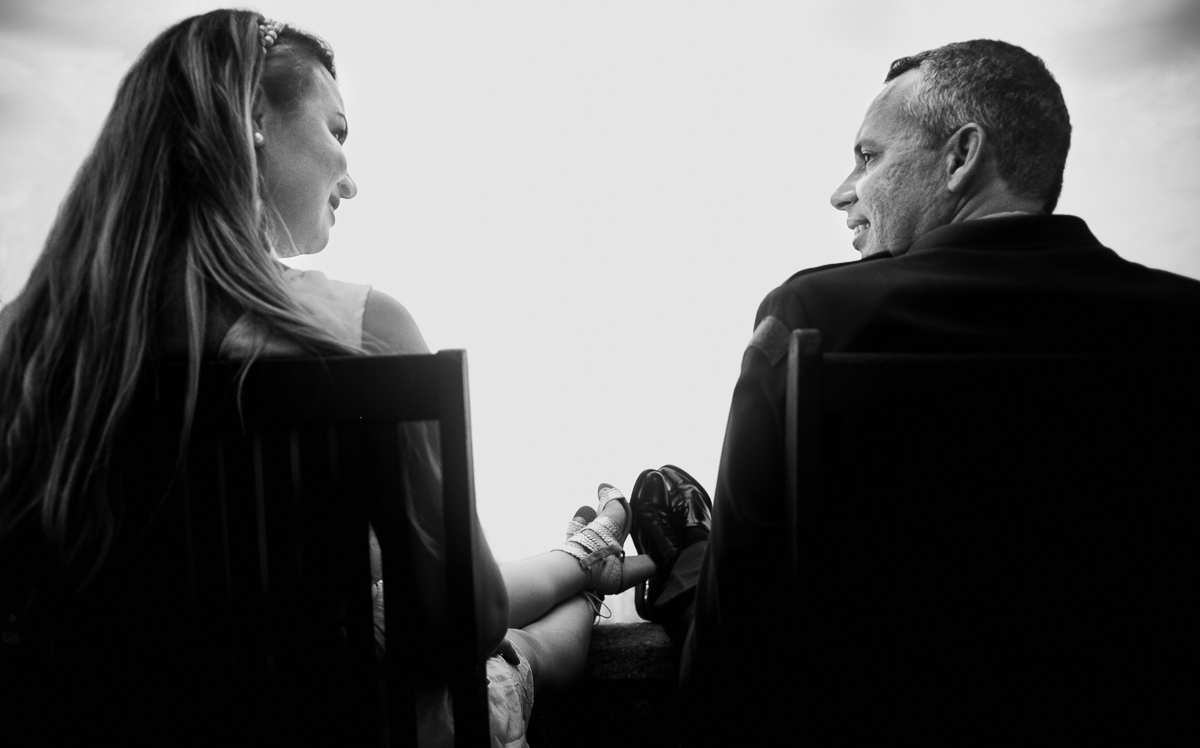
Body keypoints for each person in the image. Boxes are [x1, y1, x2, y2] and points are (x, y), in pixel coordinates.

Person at [0, 10, 654, 746]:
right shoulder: (358, 328)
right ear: (251, 118)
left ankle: (589, 551)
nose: (351, 179)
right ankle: (594, 560)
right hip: (351, 723)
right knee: (516, 654)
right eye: (336, 132)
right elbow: (466, 619)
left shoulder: (24, 346)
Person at [631, 39, 1200, 744]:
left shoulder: (815, 318)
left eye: (869, 158)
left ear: (961, 157)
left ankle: (685, 559)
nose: (842, 191)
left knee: (704, 583)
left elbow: (729, 658)